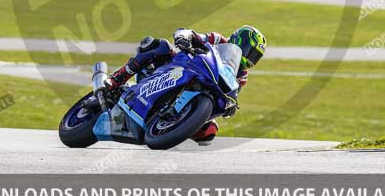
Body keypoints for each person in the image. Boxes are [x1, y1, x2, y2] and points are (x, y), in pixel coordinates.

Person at [105, 25, 266, 144]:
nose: (251, 59)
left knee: (209, 132)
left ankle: (172, 126)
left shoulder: (242, 76)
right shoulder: (218, 40)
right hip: (179, 66)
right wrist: (184, 37)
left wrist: (229, 106)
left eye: (255, 57)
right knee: (159, 45)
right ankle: (117, 78)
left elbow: (231, 94)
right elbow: (190, 33)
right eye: (250, 51)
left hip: (202, 89)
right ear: (239, 40)